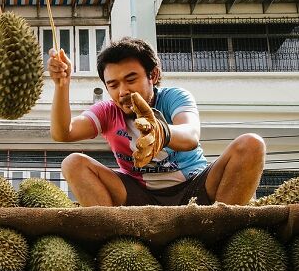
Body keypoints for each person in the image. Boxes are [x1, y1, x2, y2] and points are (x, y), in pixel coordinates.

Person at [48, 36, 265, 206]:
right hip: (139, 196)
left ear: (152, 75)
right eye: (113, 85)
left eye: (131, 80)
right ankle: (113, 238)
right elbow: (63, 133)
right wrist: (61, 85)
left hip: (195, 187)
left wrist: (161, 132)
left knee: (251, 144)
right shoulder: (107, 111)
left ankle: (222, 226)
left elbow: (190, 135)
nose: (123, 91)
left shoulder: (173, 97)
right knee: (73, 163)